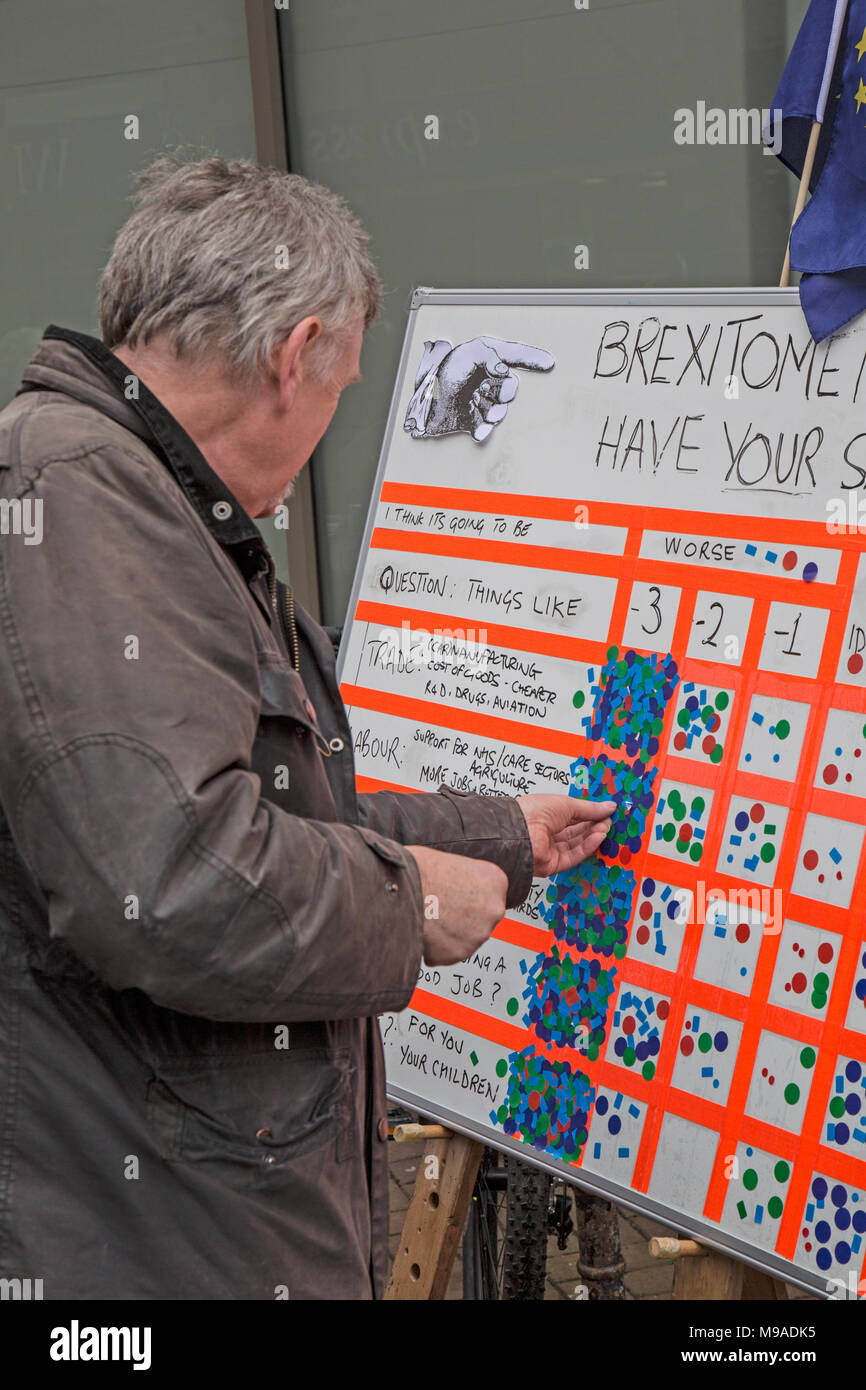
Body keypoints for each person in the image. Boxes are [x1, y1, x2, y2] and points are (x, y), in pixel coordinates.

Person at [0, 155, 614, 1300]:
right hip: (147, 1248)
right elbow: (173, 879)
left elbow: (261, 813)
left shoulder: (141, 497)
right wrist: (413, 900)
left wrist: (495, 836)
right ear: (297, 355)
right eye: (343, 390)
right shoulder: (75, 500)